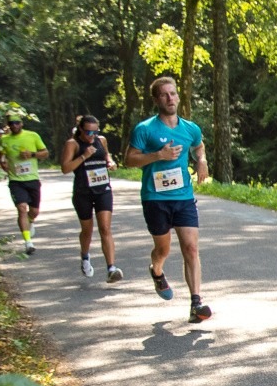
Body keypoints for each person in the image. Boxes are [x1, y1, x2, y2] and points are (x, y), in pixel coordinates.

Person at [124, 77, 211, 322]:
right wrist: (157, 155)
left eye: (173, 93)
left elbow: (199, 146)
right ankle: (157, 271)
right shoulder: (145, 129)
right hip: (155, 198)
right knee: (163, 249)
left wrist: (201, 160)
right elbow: (129, 159)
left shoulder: (190, 128)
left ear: (178, 97)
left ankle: (196, 303)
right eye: (164, 95)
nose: (170, 98)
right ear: (156, 100)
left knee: (191, 248)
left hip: (183, 197)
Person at [61, 115, 124, 283]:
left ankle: (111, 268)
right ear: (80, 130)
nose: (92, 135)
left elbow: (107, 156)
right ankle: (85, 256)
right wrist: (83, 156)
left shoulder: (101, 140)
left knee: (105, 228)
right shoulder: (73, 144)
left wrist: (110, 162)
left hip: (103, 190)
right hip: (83, 193)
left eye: (95, 132)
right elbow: (65, 168)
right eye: (88, 132)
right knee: (87, 230)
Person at [0, 114, 49, 255]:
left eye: (17, 123)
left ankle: (30, 221)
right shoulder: (4, 139)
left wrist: (32, 154)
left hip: (32, 179)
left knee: (34, 211)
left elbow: (45, 153)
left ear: (21, 123)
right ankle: (28, 243)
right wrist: (3, 164)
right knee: (21, 208)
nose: (14, 125)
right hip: (16, 181)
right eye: (11, 123)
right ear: (8, 125)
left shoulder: (32, 136)